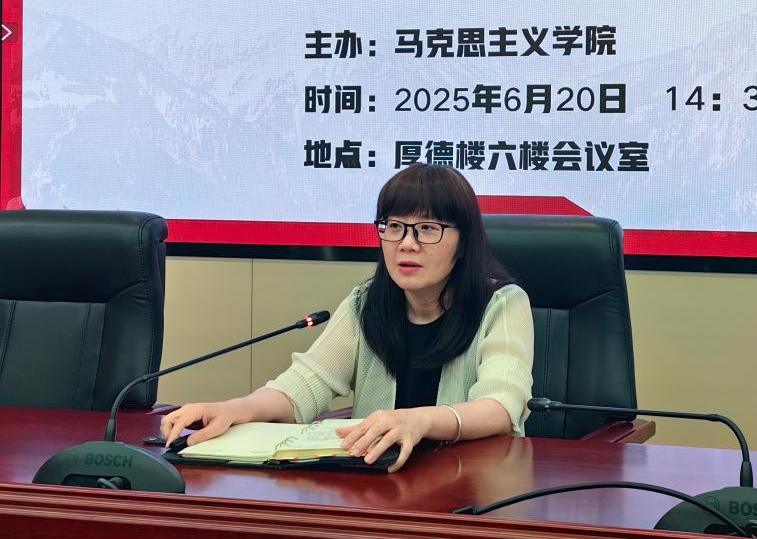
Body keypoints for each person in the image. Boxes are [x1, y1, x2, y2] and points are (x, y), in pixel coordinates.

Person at [160, 163, 534, 472]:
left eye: (427, 229)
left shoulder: (500, 304)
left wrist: (420, 420)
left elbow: (501, 407)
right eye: (394, 227)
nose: (406, 243)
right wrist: (232, 410)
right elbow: (305, 383)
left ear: (464, 242)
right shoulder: (367, 302)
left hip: (470, 483)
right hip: (378, 484)